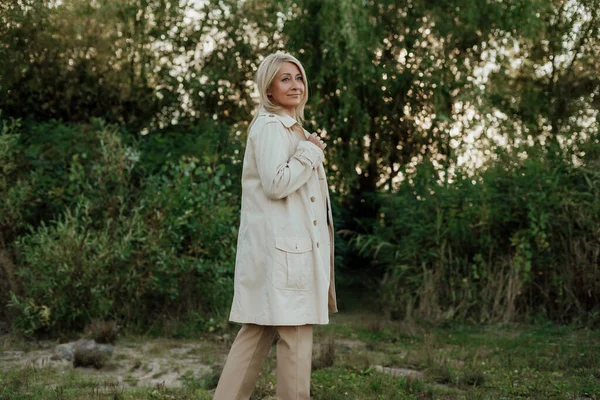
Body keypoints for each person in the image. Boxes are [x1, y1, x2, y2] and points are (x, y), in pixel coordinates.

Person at [213, 52, 337, 400]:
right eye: (285, 79)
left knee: (255, 334)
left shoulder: (291, 128)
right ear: (268, 88)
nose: (295, 85)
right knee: (296, 340)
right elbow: (276, 183)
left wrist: (307, 147)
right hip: (285, 257)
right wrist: (310, 152)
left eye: (298, 77)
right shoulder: (271, 127)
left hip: (283, 253)